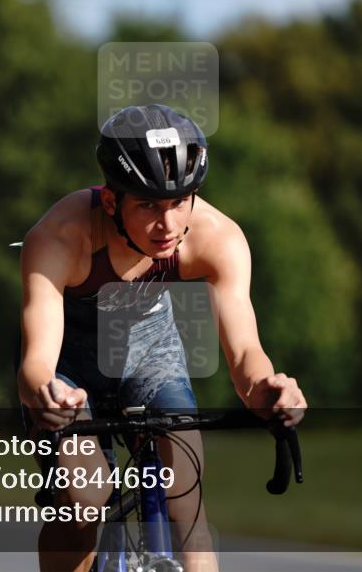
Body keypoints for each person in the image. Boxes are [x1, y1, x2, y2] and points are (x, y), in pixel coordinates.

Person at [17, 104, 307, 572]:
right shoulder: (58, 239)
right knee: (83, 500)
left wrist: (269, 391)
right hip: (67, 362)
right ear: (112, 202)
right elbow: (36, 364)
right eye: (148, 205)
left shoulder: (218, 239)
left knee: (186, 505)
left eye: (179, 202)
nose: (168, 225)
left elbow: (245, 354)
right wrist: (47, 396)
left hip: (149, 349)